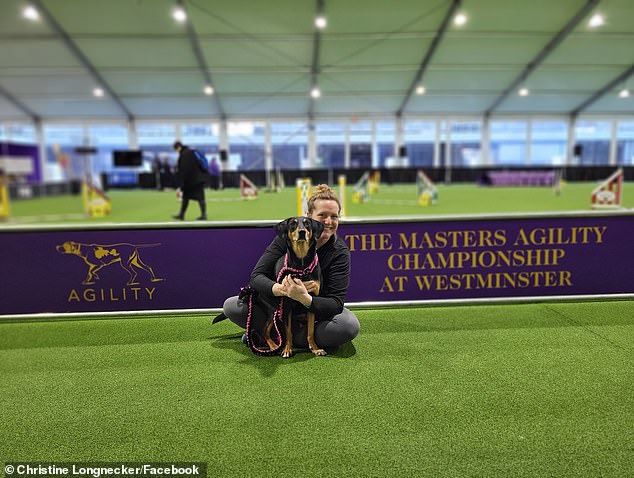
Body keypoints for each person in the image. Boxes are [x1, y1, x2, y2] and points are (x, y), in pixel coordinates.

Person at [220, 184, 360, 351]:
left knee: (348, 326)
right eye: (322, 215)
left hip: (315, 314)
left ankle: (270, 335)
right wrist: (282, 289)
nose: (328, 222)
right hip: (280, 308)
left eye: (334, 216)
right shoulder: (286, 239)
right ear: (309, 216)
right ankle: (282, 335)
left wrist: (304, 298)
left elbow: (336, 303)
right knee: (231, 306)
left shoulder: (340, 251)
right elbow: (256, 277)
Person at [172, 141, 208, 220]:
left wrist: (181, 183)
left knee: (188, 198)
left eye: (176, 149)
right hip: (198, 179)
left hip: (191, 181)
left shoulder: (184, 155)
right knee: (195, 198)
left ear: (178, 147)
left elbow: (183, 170)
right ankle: (182, 214)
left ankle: (203, 215)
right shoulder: (192, 152)